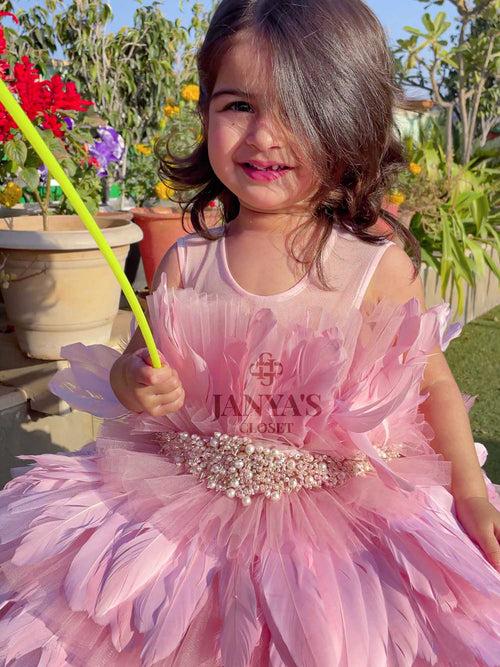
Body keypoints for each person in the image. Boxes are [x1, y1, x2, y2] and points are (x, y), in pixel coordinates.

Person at [1, 0, 500, 664]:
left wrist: (468, 490)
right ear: (206, 109)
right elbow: (134, 358)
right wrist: (135, 380)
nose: (264, 136)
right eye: (239, 106)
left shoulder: (372, 267)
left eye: (298, 109)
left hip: (338, 532)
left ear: (349, 119)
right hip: (185, 521)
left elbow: (431, 379)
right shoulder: (186, 260)